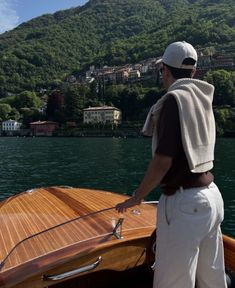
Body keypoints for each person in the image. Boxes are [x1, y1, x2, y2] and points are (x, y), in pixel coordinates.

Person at [116, 41, 227, 288]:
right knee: (212, 279)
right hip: (212, 199)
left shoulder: (172, 101)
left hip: (185, 204)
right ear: (194, 72)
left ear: (165, 71)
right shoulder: (203, 98)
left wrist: (138, 196)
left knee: (173, 283)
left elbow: (163, 161)